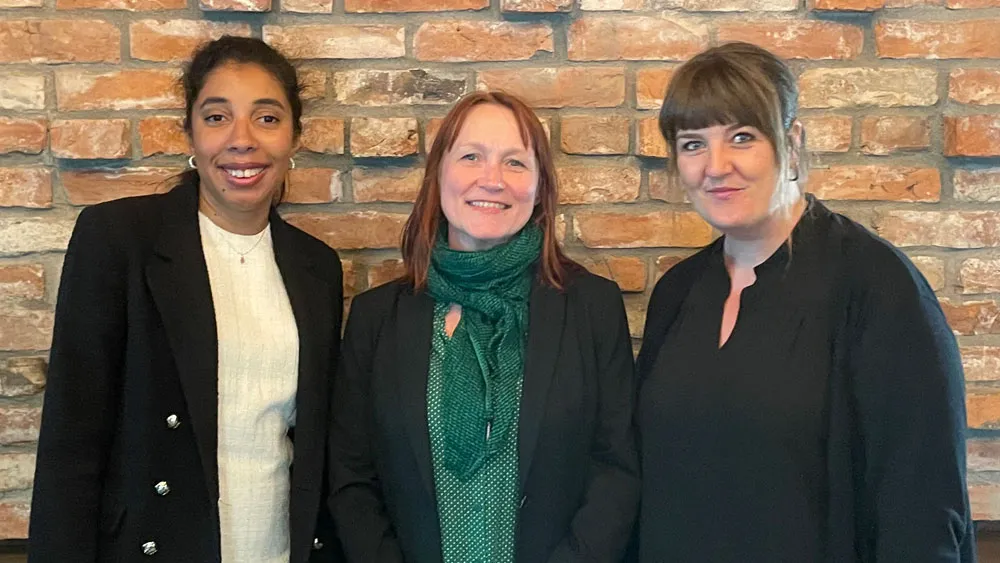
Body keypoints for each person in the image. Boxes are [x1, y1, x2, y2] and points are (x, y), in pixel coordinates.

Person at [633, 41, 974, 562]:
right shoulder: (677, 292)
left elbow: (923, 508)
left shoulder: (879, 287)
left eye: (742, 137)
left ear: (791, 144)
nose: (715, 166)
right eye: (693, 144)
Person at [28, 36, 344, 563]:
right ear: (190, 133)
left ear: (295, 137)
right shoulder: (120, 239)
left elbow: (314, 447)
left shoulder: (317, 267)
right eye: (217, 118)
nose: (242, 141)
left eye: (267, 118)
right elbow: (71, 443)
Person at [328, 90, 639, 563]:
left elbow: (615, 468)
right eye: (471, 157)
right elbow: (352, 478)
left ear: (539, 186)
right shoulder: (377, 318)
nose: (492, 180)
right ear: (438, 174)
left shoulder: (591, 308)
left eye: (515, 163)